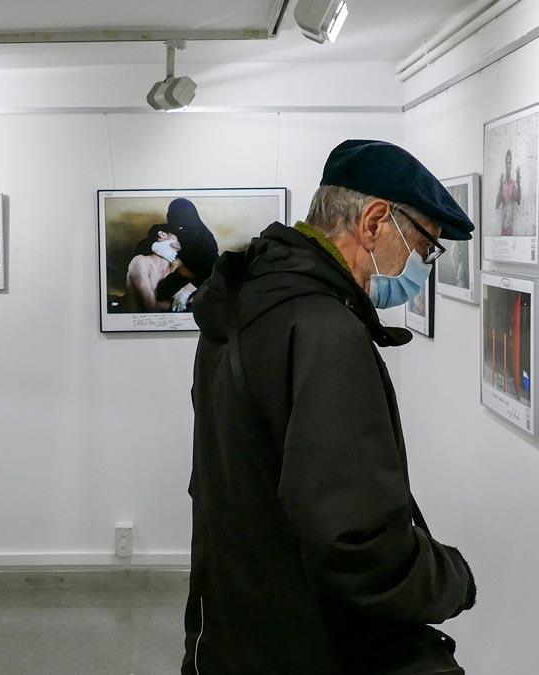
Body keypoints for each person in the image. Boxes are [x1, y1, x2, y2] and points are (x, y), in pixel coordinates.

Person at [184, 140, 477, 674]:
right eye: (425, 247)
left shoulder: (246, 299)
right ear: (373, 222)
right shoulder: (325, 330)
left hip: (240, 627)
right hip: (309, 643)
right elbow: (353, 541)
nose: (423, 266)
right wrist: (450, 578)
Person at [153, 199, 219, 304]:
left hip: (202, 279)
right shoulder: (175, 226)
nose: (179, 229)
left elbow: (212, 271)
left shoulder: (206, 239)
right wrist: (155, 246)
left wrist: (187, 291)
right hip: (180, 274)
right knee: (159, 293)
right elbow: (154, 232)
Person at [123, 225, 185, 313]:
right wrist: (186, 303)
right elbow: (150, 307)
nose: (183, 238)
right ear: (162, 234)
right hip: (135, 323)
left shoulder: (176, 266)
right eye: (178, 235)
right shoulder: (141, 261)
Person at [494, 148, 522, 235]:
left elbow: (518, 200)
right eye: (507, 162)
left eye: (510, 163)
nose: (508, 165)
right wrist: (500, 186)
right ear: (505, 164)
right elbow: (497, 204)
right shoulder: (502, 183)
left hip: (511, 227)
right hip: (503, 227)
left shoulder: (513, 183)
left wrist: (518, 180)